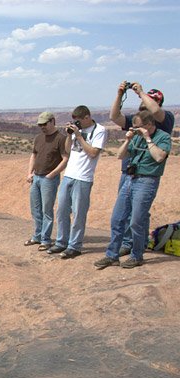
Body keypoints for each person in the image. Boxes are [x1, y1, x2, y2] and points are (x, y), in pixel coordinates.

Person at [94, 110, 171, 270]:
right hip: (130, 179)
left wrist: (148, 138)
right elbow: (120, 155)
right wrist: (128, 140)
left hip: (147, 181)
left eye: (137, 127)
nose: (134, 129)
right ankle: (112, 255)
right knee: (117, 218)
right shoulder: (135, 137)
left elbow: (159, 157)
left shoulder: (163, 137)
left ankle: (136, 256)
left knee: (136, 221)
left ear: (149, 125)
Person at [110, 82, 175, 256]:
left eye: (148, 101)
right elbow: (115, 117)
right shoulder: (137, 120)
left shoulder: (164, 118)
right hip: (129, 172)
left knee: (137, 215)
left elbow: (154, 111)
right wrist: (119, 94)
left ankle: (135, 245)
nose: (143, 103)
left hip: (147, 175)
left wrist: (140, 92)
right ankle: (129, 242)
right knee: (125, 212)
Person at [48, 106, 108, 258]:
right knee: (61, 211)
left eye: (79, 121)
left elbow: (93, 153)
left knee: (78, 214)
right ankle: (61, 242)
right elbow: (68, 150)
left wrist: (79, 136)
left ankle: (74, 246)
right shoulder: (77, 130)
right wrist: (69, 135)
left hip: (83, 178)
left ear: (87, 117)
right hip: (69, 175)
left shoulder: (99, 130)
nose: (77, 124)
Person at [25, 112, 68, 249]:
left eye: (44, 124)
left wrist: (53, 174)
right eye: (40, 125)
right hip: (36, 177)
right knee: (35, 209)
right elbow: (34, 155)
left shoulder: (61, 138)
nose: (42, 127)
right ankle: (37, 236)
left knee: (47, 210)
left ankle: (46, 239)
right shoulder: (38, 138)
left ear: (52, 121)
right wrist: (29, 173)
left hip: (49, 179)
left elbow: (65, 158)